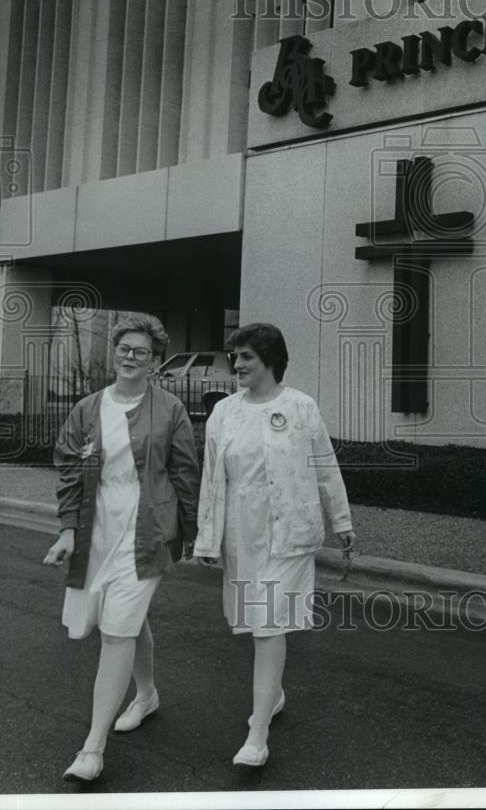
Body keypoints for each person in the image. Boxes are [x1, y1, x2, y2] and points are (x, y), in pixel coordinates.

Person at [43, 312, 200, 782]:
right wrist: (69, 530)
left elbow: (186, 473)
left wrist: (192, 535)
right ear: (114, 353)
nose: (130, 357)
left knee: (117, 631)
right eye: (124, 349)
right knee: (128, 621)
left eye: (142, 352)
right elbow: (69, 470)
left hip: (147, 526)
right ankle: (147, 694)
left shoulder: (170, 409)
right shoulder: (87, 408)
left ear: (154, 362)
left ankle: (93, 747)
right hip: (98, 526)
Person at [194, 322, 355, 768]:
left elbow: (325, 467)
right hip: (241, 535)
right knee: (253, 622)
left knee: (267, 624)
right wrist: (207, 537)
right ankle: (274, 693)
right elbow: (212, 478)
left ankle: (257, 734)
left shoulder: (301, 407)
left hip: (290, 534)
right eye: (235, 355)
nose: (236, 364)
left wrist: (341, 520)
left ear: (270, 360)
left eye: (246, 356)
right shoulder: (224, 412)